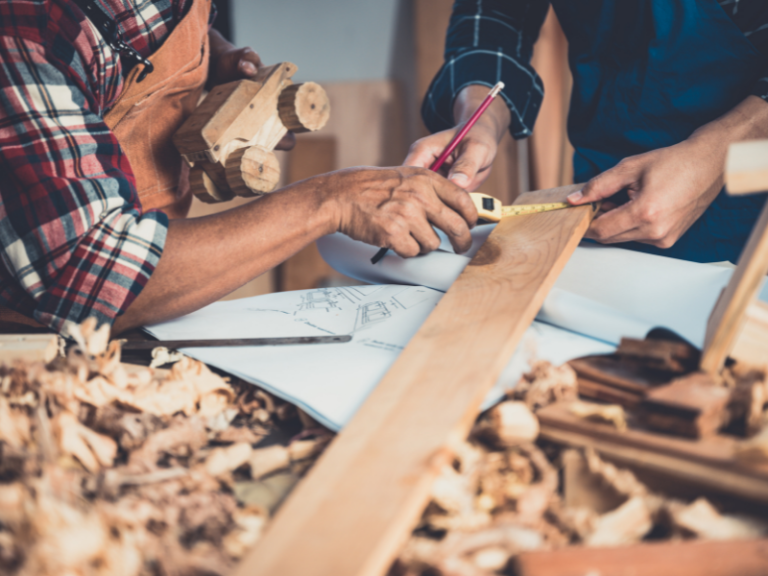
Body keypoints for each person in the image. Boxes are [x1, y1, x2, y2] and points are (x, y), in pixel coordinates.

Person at [0, 0, 477, 336]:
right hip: (37, 341)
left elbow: (138, 30)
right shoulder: (27, 23)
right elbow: (88, 275)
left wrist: (210, 61)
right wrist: (329, 201)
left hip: (146, 308)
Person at [406, 0, 768, 265]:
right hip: (603, 184)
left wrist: (721, 153)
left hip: (752, 194)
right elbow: (496, 15)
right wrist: (481, 117)